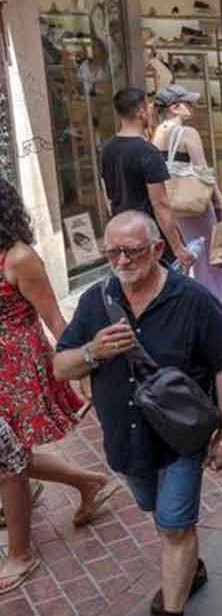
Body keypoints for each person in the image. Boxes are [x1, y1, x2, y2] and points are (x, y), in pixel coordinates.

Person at [54, 211, 222, 616]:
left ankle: (174, 610)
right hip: (126, 443)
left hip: (181, 440)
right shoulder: (95, 302)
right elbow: (61, 365)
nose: (122, 260)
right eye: (113, 252)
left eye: (132, 251)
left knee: (175, 525)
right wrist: (92, 352)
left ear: (157, 249)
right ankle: (189, 568)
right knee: (156, 510)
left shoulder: (191, 300)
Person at [0, 180, 118, 593]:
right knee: (10, 458)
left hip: (15, 372)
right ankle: (87, 483)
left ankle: (21, 554)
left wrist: (80, 368)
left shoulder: (19, 258)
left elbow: (54, 319)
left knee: (8, 461)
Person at [150, 84, 222, 320]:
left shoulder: (156, 133)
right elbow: (204, 172)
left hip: (173, 203)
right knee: (212, 257)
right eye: (188, 103)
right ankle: (216, 311)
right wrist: (220, 202)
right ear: (175, 107)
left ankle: (185, 307)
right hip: (195, 204)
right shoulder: (188, 133)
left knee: (186, 255)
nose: (192, 107)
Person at [101, 87, 192, 271]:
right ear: (140, 112)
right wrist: (177, 247)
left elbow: (107, 196)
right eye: (148, 106)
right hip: (148, 237)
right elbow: (160, 204)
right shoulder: (147, 152)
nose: (152, 110)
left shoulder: (108, 148)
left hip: (123, 233)